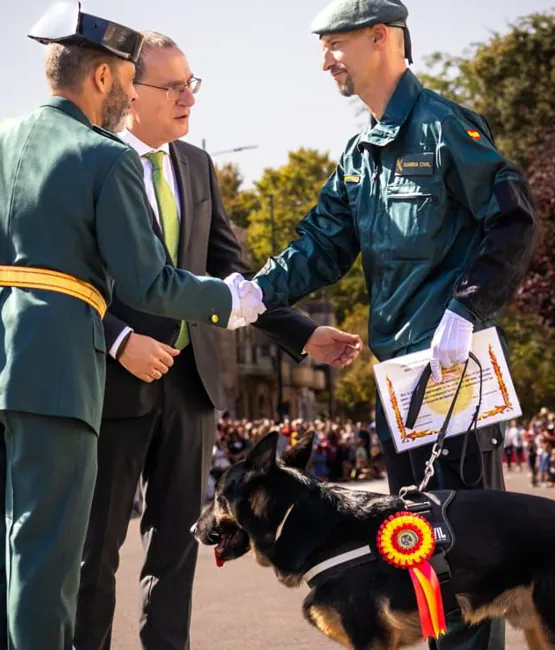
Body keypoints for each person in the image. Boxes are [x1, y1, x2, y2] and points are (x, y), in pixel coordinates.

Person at [0, 4, 266, 649]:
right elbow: (148, 282)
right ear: (102, 78)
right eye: (130, 79)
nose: (132, 94)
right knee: (46, 553)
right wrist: (230, 301)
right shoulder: (106, 158)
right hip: (49, 365)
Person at [248, 1, 538, 648]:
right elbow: (320, 247)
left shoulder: (444, 129)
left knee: (463, 555)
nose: (325, 60)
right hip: (399, 381)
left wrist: (467, 308)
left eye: (334, 45)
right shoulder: (363, 152)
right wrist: (252, 290)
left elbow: (514, 219)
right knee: (419, 560)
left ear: (380, 38)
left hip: (452, 374)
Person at [73, 31, 362, 650]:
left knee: (179, 546)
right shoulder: (86, 159)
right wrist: (118, 339)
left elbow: (233, 273)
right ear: (128, 89)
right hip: (112, 381)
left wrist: (303, 335)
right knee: (94, 551)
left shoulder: (197, 165)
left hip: (192, 384)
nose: (188, 98)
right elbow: (61, 280)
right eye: (172, 86)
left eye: (191, 83)